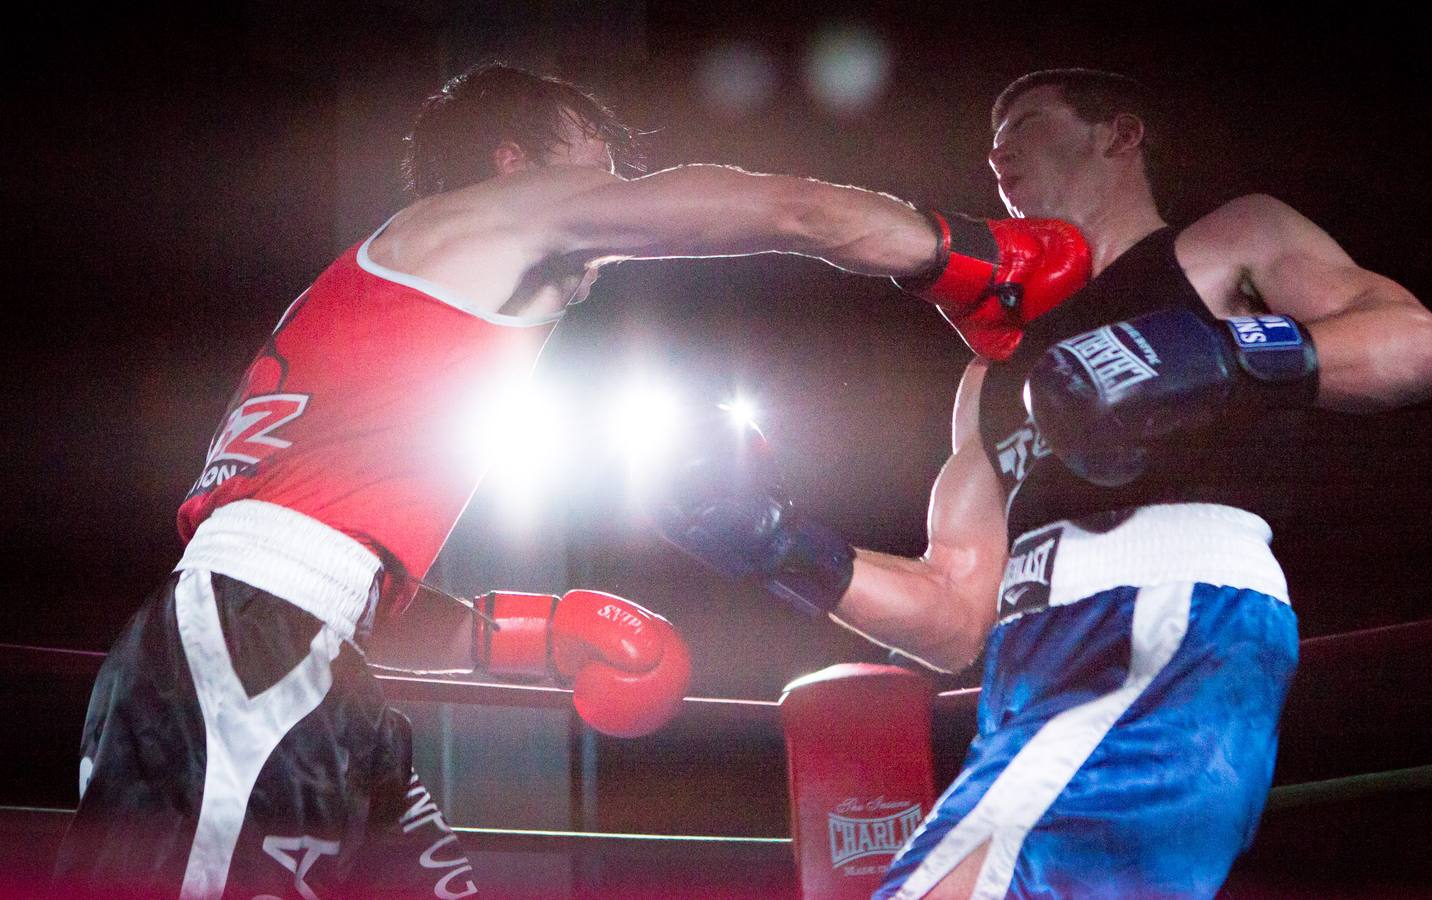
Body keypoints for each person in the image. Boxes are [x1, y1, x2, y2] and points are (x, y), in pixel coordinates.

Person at [52, 61, 1088, 899]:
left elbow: (334, 577)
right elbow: (785, 210)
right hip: (247, 660)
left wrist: (540, 634)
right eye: (596, 168)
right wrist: (960, 256)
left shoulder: (414, 316)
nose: (612, 201)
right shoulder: (481, 219)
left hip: (303, 659)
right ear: (516, 163)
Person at [655, 68, 1432, 898]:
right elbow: (954, 612)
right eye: (989, 136)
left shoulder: (1228, 244)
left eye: (1025, 122)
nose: (996, 150)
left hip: (1168, 625)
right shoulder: (990, 377)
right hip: (1026, 672)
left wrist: (1222, 355)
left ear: (1120, 133)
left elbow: (1420, 345)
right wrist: (778, 544)